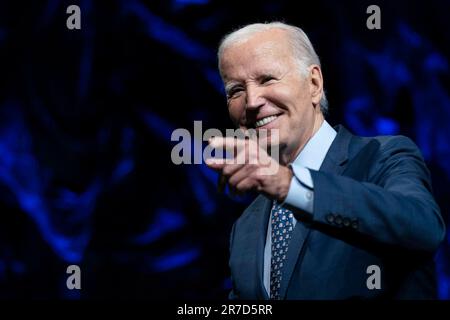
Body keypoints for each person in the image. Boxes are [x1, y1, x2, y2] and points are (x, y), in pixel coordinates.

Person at [205, 22, 446, 299]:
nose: (251, 101)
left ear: (314, 84)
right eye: (235, 90)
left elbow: (424, 228)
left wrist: (289, 185)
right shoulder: (246, 226)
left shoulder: (384, 157)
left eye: (267, 79)